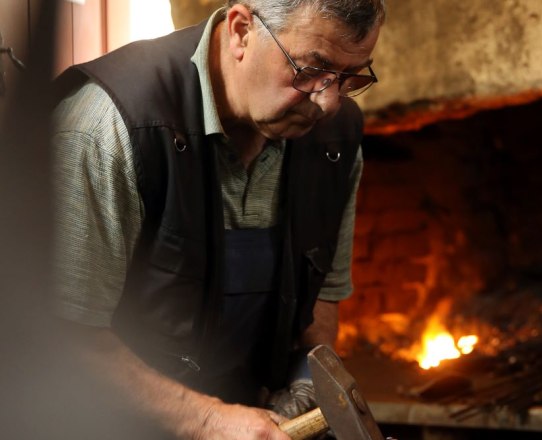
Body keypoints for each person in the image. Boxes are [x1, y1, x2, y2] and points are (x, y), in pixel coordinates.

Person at [50, 0, 384, 438]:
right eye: (310, 70)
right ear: (241, 31)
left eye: (350, 77)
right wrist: (207, 421)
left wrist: (307, 379)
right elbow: (62, 336)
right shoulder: (111, 126)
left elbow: (323, 295)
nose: (329, 102)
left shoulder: (334, 141)